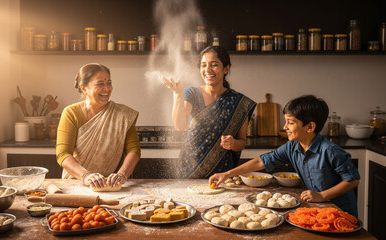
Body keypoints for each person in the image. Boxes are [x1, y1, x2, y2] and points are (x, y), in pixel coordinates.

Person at [209, 95, 360, 217]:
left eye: (290, 122)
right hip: (318, 210)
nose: (284, 127)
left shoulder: (330, 150)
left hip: (342, 213)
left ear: (310, 127)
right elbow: (261, 162)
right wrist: (227, 174)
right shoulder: (292, 147)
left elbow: (353, 180)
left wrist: (321, 196)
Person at [162, 46, 256, 178]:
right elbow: (180, 125)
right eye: (203, 65)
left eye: (214, 65)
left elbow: (241, 142)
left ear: (226, 69)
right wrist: (178, 94)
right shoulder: (191, 93)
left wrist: (233, 143)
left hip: (222, 173)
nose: (207, 70)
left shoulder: (239, 102)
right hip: (190, 169)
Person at [56, 63, 141, 189]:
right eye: (100, 84)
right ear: (84, 88)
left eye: (109, 83)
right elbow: (63, 154)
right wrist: (86, 176)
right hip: (77, 182)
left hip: (109, 184)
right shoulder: (71, 113)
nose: (107, 89)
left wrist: (122, 174)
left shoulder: (123, 115)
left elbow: (134, 150)